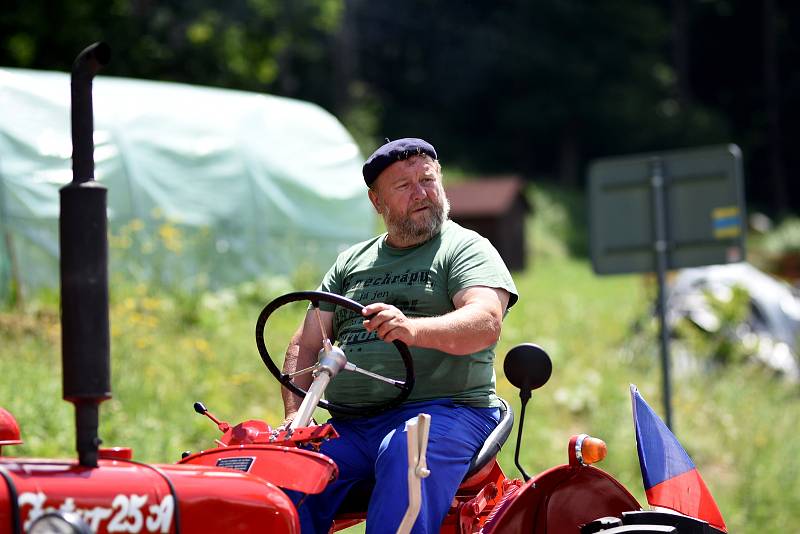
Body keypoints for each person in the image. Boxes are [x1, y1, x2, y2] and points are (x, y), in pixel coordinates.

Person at [281, 138, 518, 533]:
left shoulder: (465, 248)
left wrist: (412, 329)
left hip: (448, 413)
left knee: (405, 450)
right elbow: (306, 343)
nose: (422, 193)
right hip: (352, 426)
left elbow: (485, 321)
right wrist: (293, 418)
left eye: (427, 180)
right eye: (404, 186)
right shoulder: (350, 263)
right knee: (284, 476)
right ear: (378, 203)